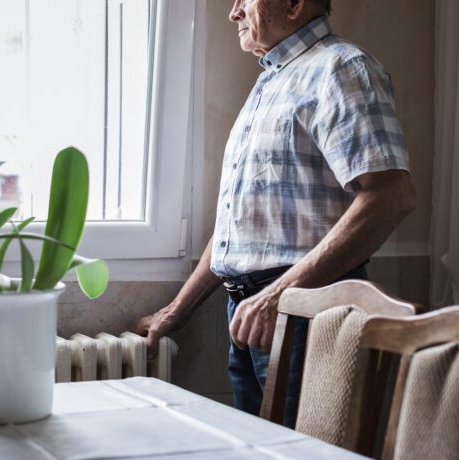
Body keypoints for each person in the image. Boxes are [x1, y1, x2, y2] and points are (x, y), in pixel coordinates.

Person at [134, 0, 416, 425]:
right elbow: (241, 228)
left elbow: (391, 196)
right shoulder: (273, 81)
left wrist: (278, 295)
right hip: (253, 312)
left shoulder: (340, 69)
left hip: (308, 313)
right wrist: (176, 312)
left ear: (293, 4)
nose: (234, 12)